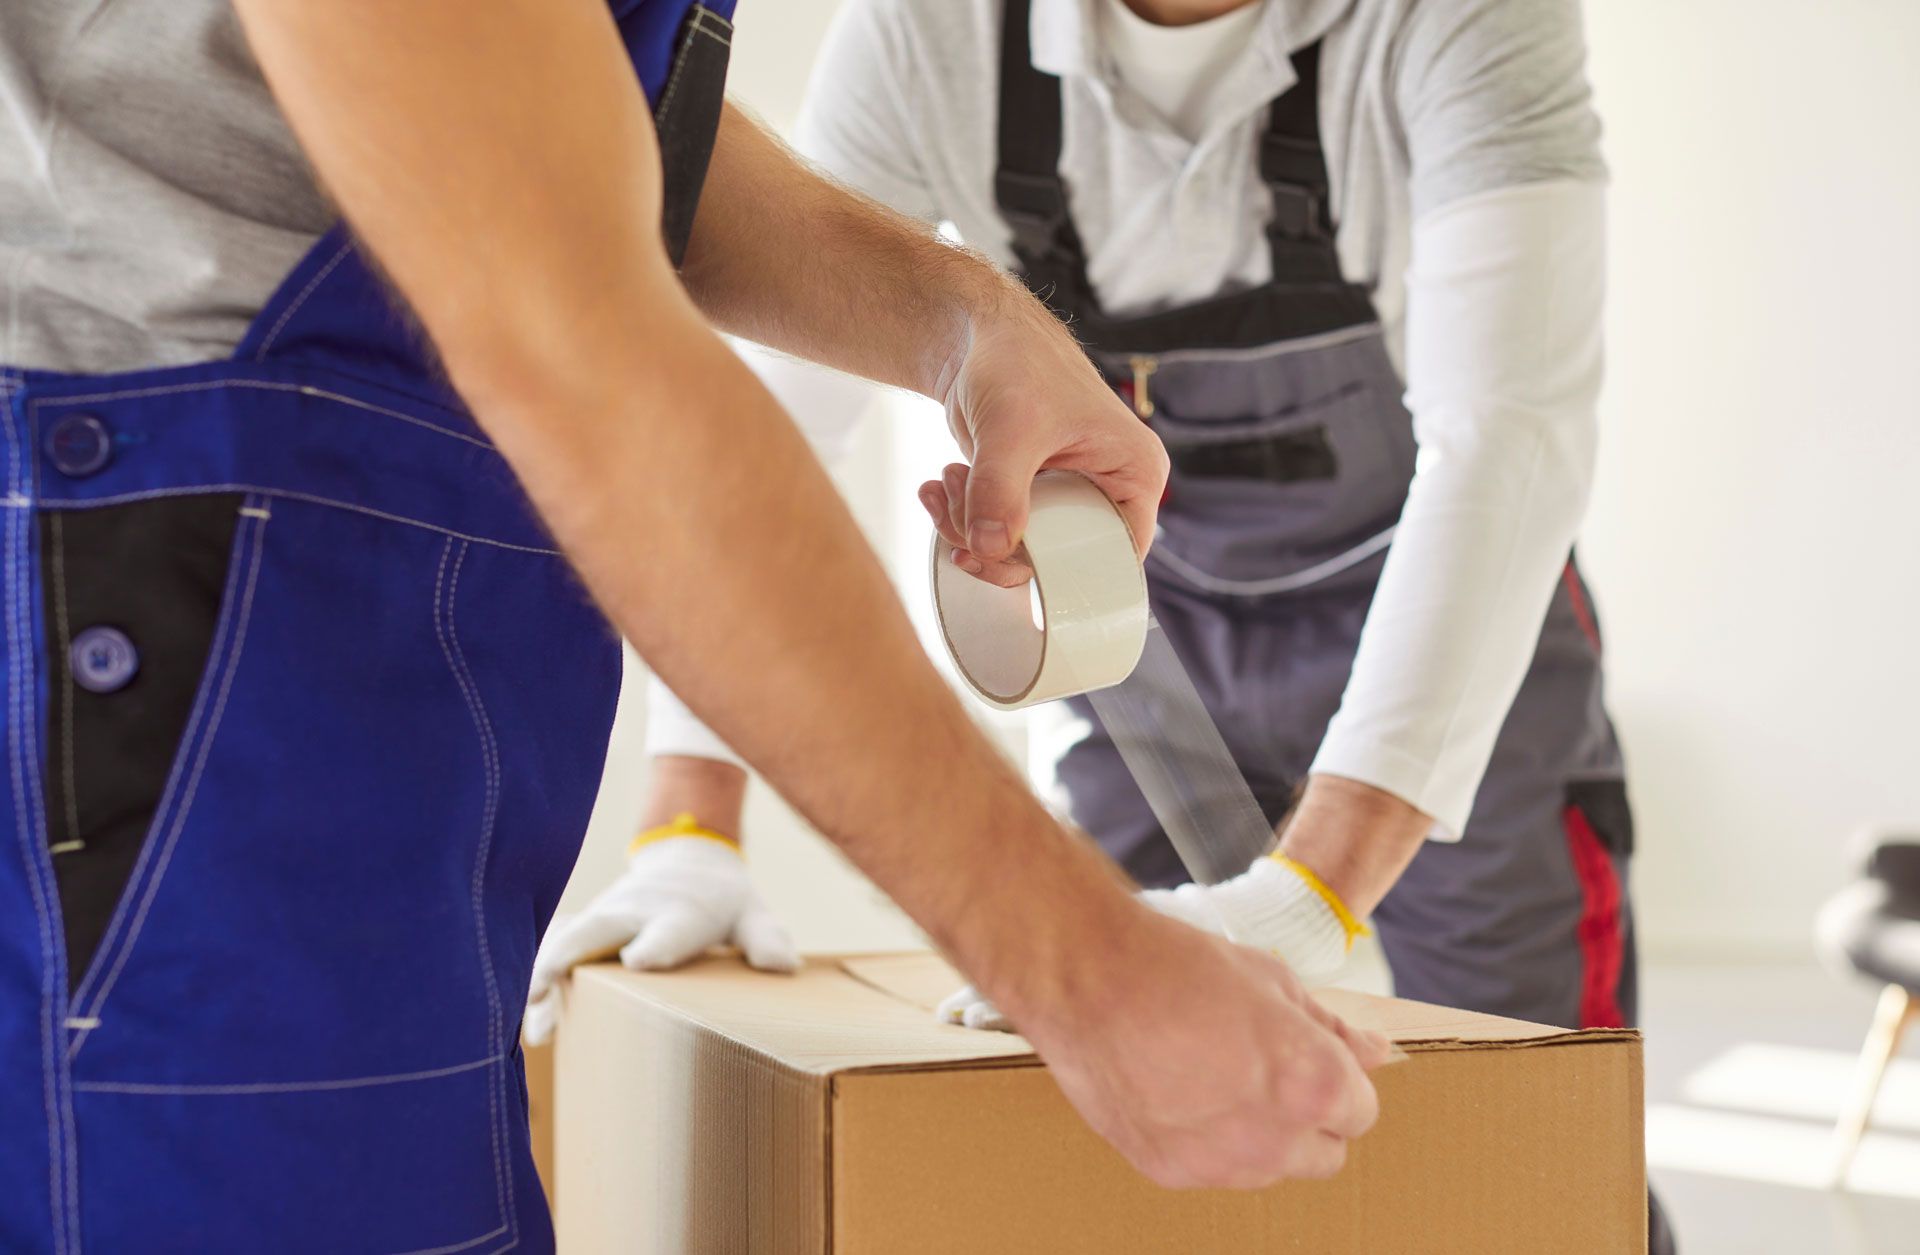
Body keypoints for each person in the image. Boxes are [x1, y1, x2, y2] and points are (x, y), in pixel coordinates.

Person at [0, 1, 1392, 1249]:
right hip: (169, 641)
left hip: (338, 685)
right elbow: (570, 340)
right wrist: (1083, 968)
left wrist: (960, 321)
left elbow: (542, 91)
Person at [534, 0, 1673, 1250]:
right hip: (1135, 627)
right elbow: (775, 422)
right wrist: (690, 816)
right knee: (1110, 1131)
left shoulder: (1460, 20)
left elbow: (1507, 436)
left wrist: (1311, 896)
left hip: (1441, 633)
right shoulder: (930, 29)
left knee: (1527, 1128)